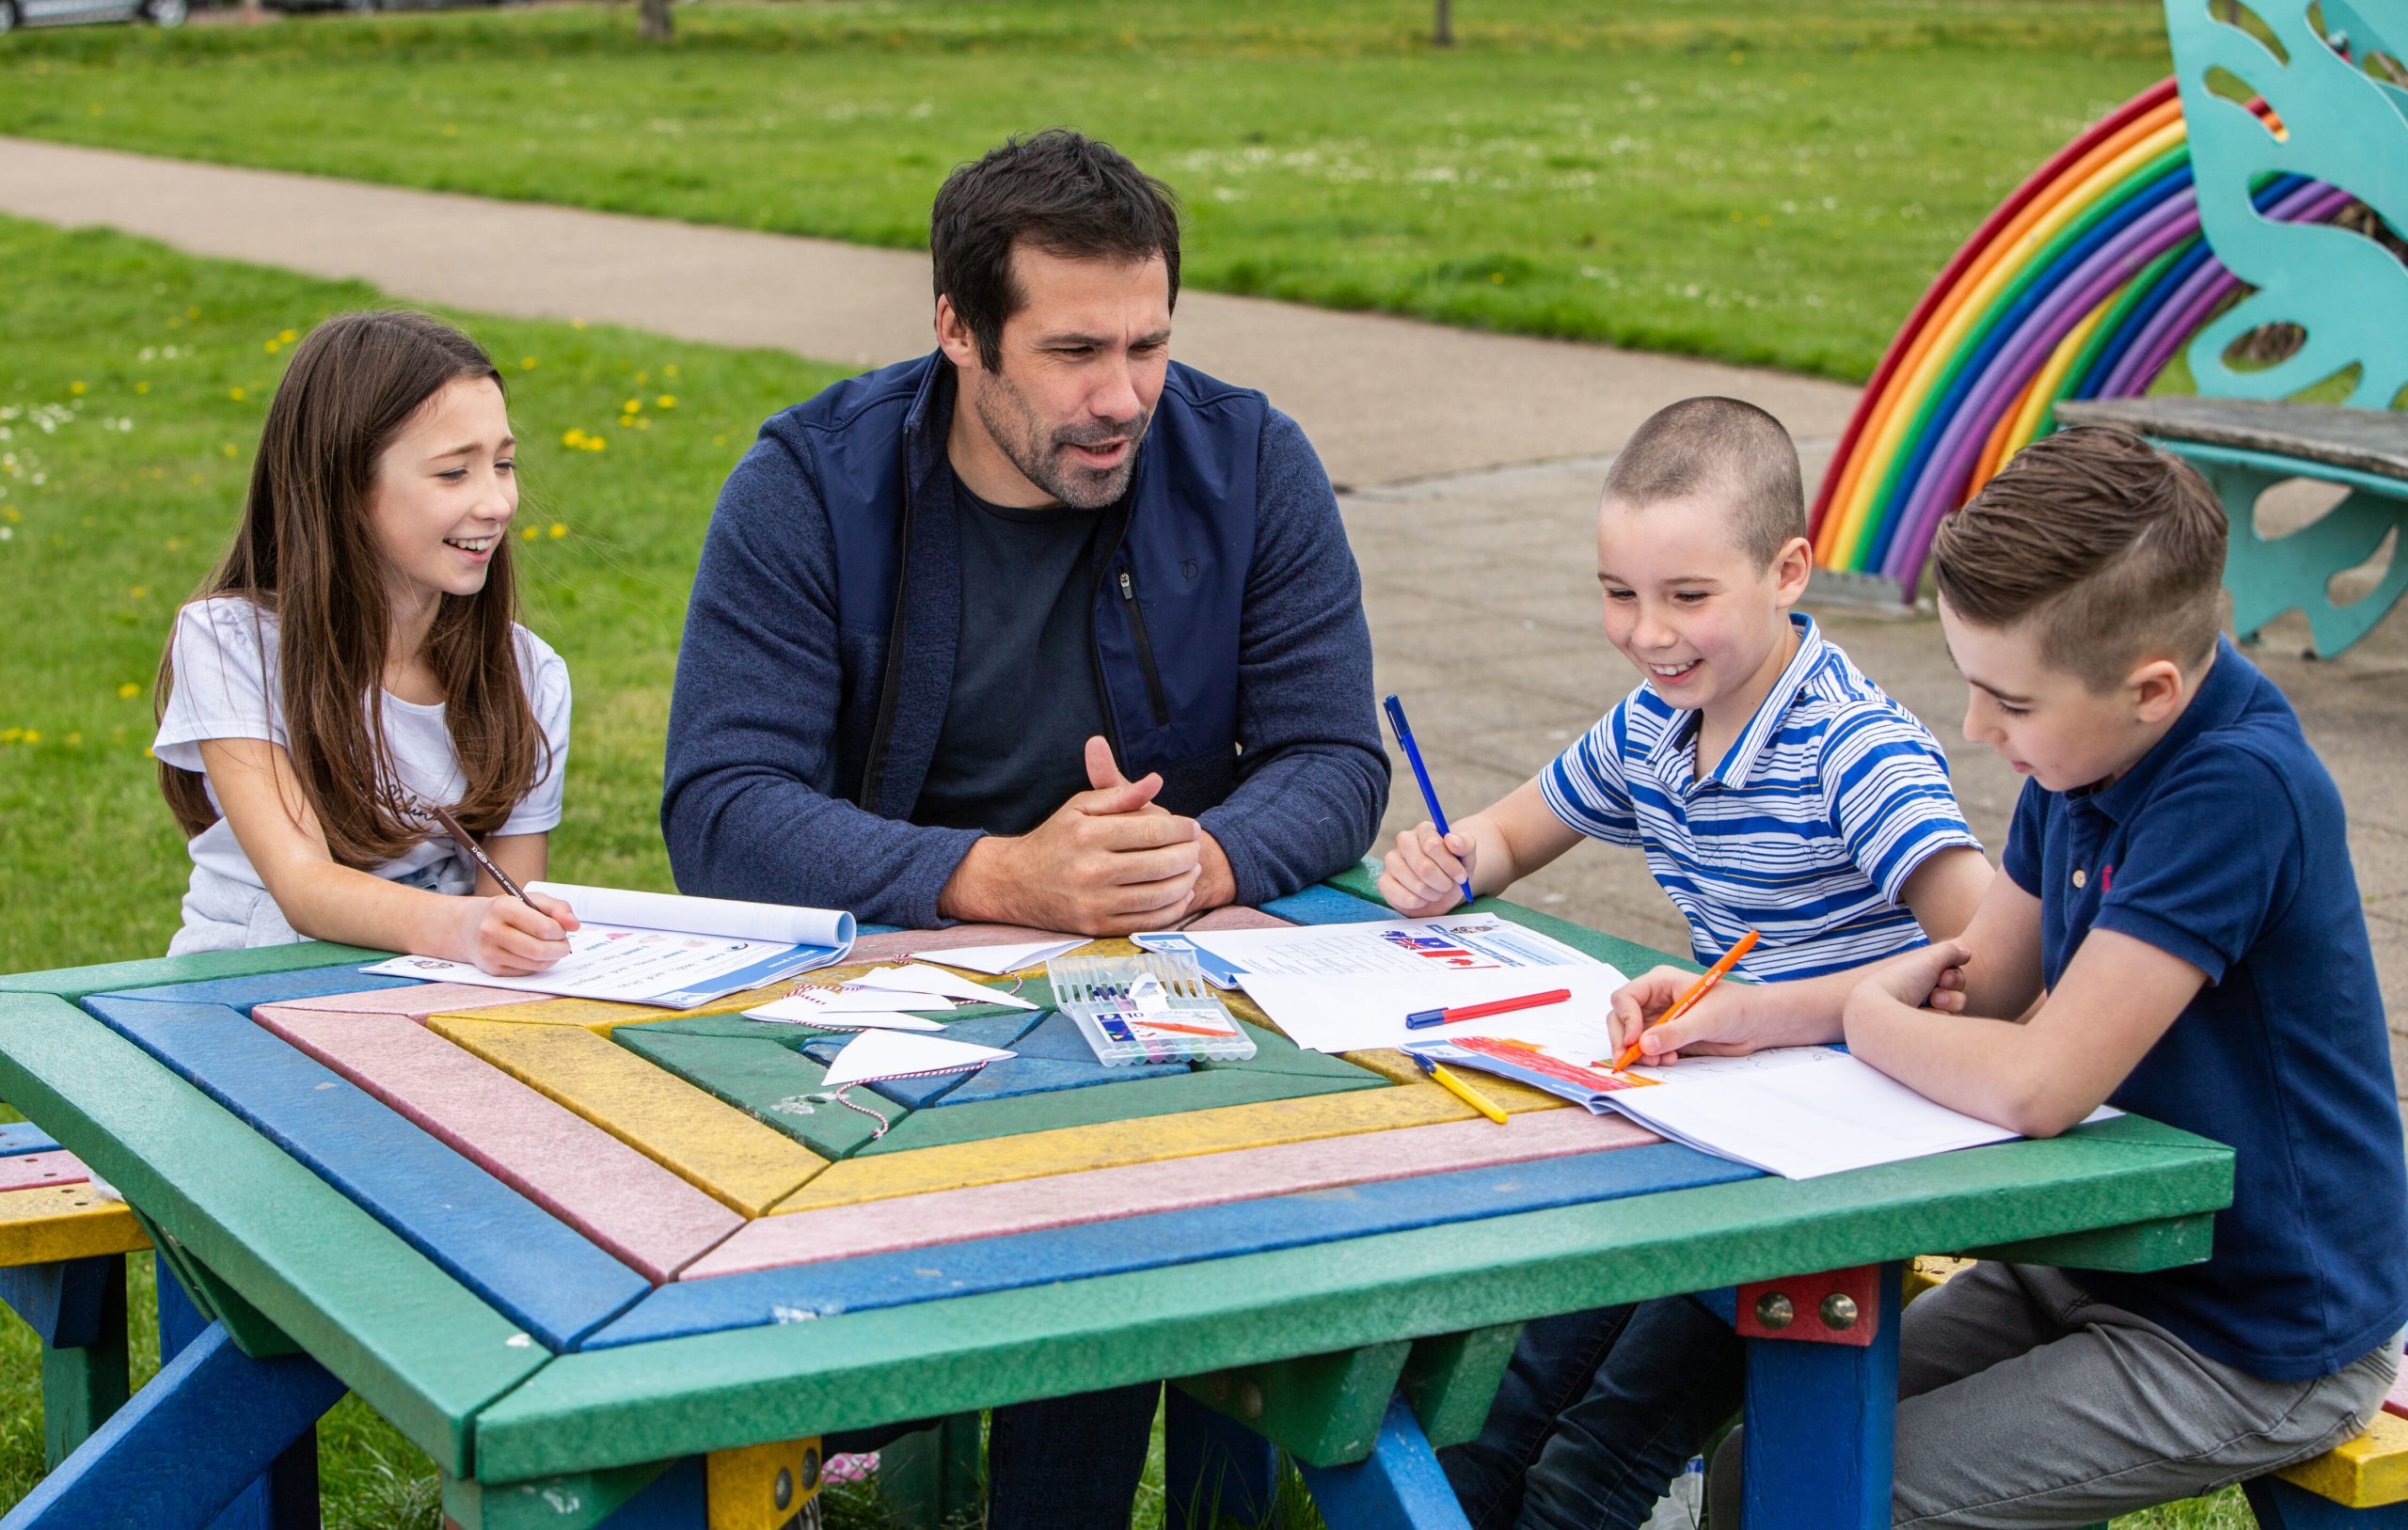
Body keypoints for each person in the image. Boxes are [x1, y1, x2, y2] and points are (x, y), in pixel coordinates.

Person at [661, 129, 1388, 1528]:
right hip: (884, 1012)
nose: (1124, 397)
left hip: (1158, 1006)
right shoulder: (812, 483)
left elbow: (1334, 754)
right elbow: (720, 805)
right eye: (1072, 353)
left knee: (1117, 1177)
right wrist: (997, 874)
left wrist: (1208, 858)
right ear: (958, 330)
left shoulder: (1248, 462)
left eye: (1149, 343)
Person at [1685, 426, 2408, 1526]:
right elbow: (1977, 979)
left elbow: (2037, 1083)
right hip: (2099, 1262)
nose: (1976, 731)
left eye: (2008, 705)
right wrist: (1749, 1017)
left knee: (1857, 1496)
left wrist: (1871, 1019)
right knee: (1763, 1465)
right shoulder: (2089, 749)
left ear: (2151, 688)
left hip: (2255, 1331)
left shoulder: (2234, 792)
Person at [1378, 396, 1991, 1530]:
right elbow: (1514, 833)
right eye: (1619, 593)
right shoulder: (1656, 723)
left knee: (1591, 1464)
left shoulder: (1852, 744)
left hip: (1834, 1167)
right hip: (1712, 1128)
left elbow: (1984, 952)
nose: (1648, 632)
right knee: (1503, 1408)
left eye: (1687, 597)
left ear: (1789, 571)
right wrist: (1448, 864)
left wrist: (1765, 1014)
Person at [153, 310, 579, 976]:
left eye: (503, 463)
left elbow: (505, 898)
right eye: (452, 473)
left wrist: (518, 933)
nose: (497, 501)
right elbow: (303, 886)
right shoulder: (232, 645)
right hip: (244, 987)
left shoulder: (531, 675)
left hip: (428, 990)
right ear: (345, 487)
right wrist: (467, 927)